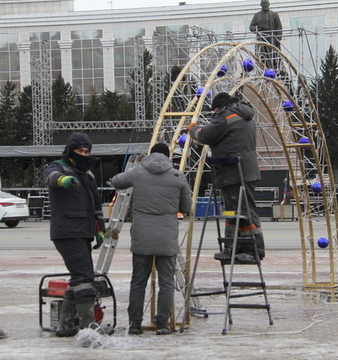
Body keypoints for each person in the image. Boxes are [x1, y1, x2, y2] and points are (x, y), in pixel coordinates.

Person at [111, 143, 192, 336]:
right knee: (166, 282)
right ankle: (162, 324)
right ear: (167, 155)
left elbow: (115, 181)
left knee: (138, 281)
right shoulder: (177, 176)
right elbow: (186, 206)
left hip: (142, 237)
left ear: (150, 154)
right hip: (166, 237)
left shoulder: (138, 172)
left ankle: (135, 324)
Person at [188, 92, 265, 263]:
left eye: (214, 111)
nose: (214, 114)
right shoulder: (244, 115)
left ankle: (253, 250)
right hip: (242, 170)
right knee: (235, 212)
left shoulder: (225, 116)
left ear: (218, 107)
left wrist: (193, 128)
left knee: (243, 212)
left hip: (234, 171)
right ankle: (234, 248)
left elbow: (204, 135)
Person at [44, 132, 106, 337]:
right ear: (71, 151)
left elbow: (96, 205)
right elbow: (51, 176)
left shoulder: (87, 174)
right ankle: (88, 328)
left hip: (83, 231)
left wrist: (100, 229)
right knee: (83, 277)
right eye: (80, 151)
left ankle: (66, 326)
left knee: (79, 277)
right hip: (67, 231)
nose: (84, 154)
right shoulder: (59, 166)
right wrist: (61, 180)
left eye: (87, 151)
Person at [249, 0, 282, 69]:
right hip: (261, 38)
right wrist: (256, 29)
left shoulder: (274, 14)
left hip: (271, 38)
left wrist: (278, 39)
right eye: (263, 3)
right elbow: (251, 26)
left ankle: (275, 71)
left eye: (266, 3)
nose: (265, 5)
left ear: (269, 4)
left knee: (273, 57)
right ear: (261, 5)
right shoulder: (257, 15)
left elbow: (279, 27)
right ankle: (263, 70)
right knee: (262, 57)